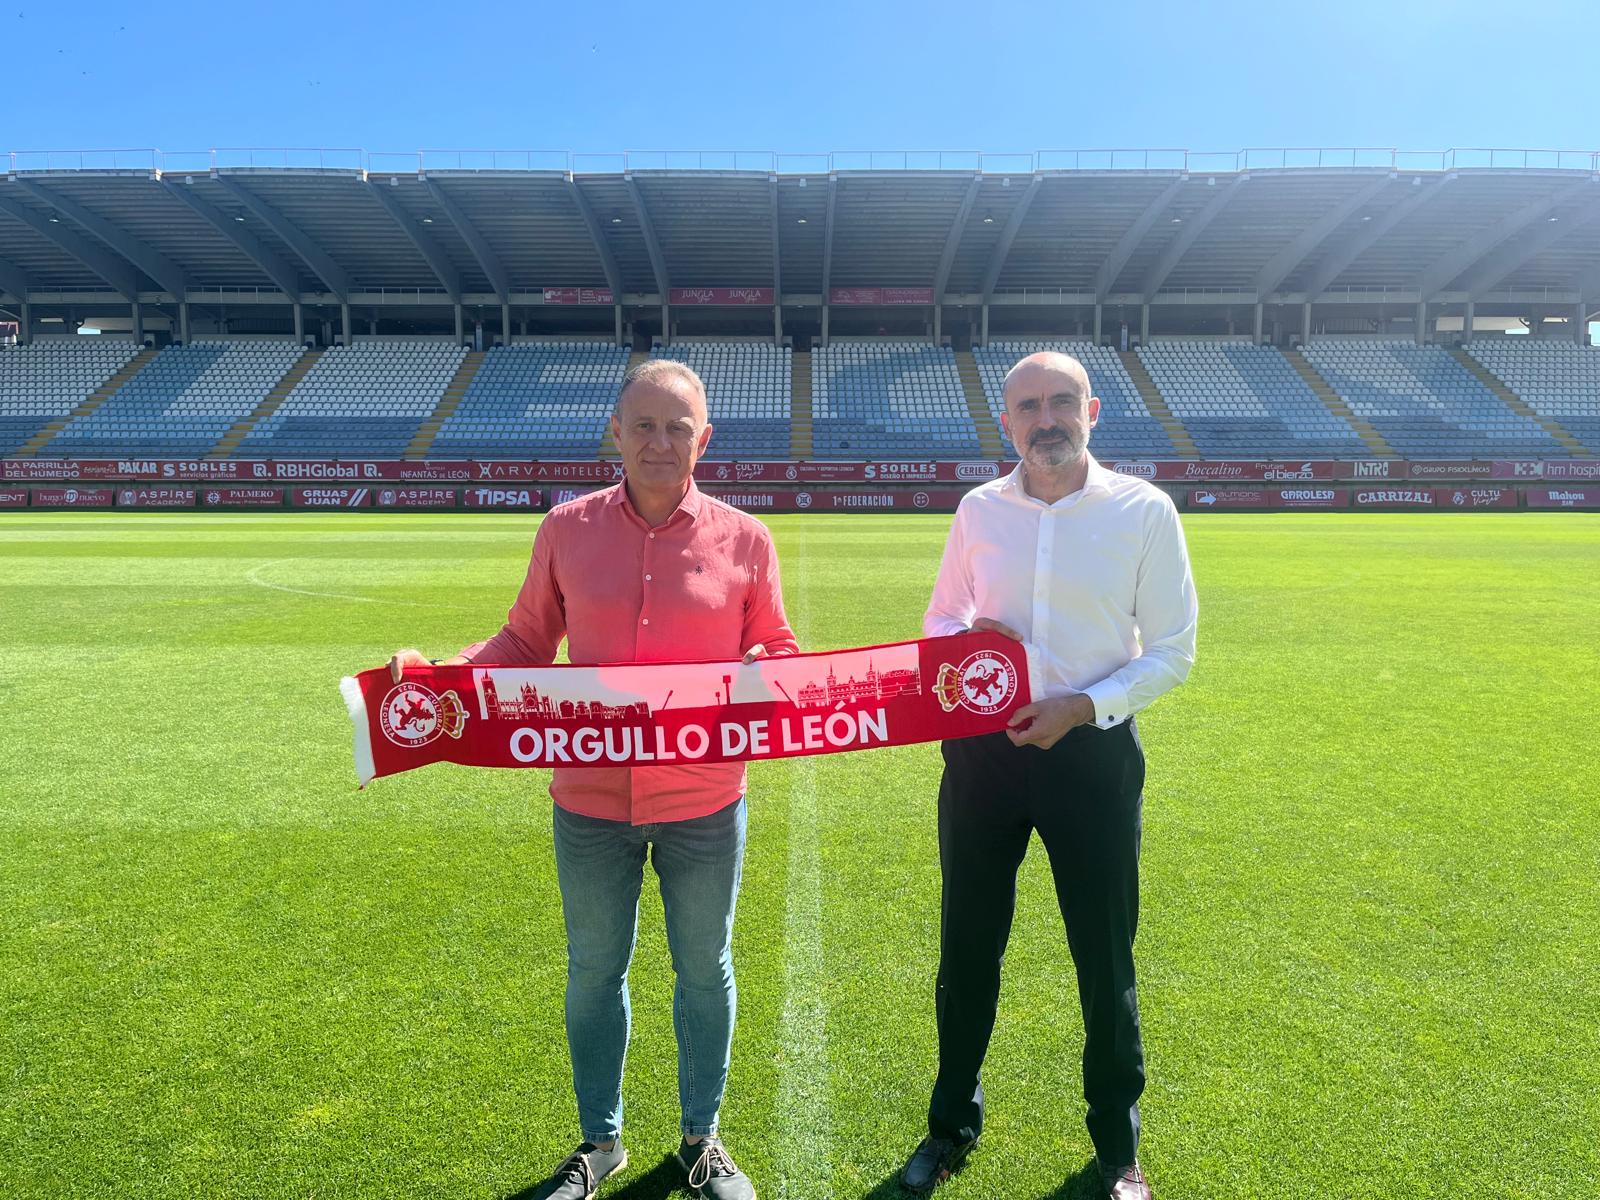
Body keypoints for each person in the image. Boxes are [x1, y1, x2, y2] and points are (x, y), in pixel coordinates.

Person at [388, 360, 797, 1200]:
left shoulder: (747, 540)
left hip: (705, 798)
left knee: (703, 967)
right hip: (589, 799)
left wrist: (766, 665)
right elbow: (522, 645)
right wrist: (444, 676)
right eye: (643, 425)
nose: (659, 442)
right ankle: (601, 1143)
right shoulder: (565, 530)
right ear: (615, 431)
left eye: (676, 427)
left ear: (704, 439)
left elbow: (782, 650)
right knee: (594, 971)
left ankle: (700, 1139)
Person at [900, 351, 1197, 1200]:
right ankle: (950, 1126)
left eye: (1062, 403)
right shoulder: (978, 509)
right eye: (1029, 407)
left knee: (1104, 957)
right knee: (967, 947)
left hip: (1092, 755)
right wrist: (963, 645)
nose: (1047, 419)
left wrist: (1081, 707)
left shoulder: (1143, 510)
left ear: (1093, 411)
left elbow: (1174, 652)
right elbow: (941, 617)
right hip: (984, 756)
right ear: (1008, 422)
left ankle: (1117, 1152)